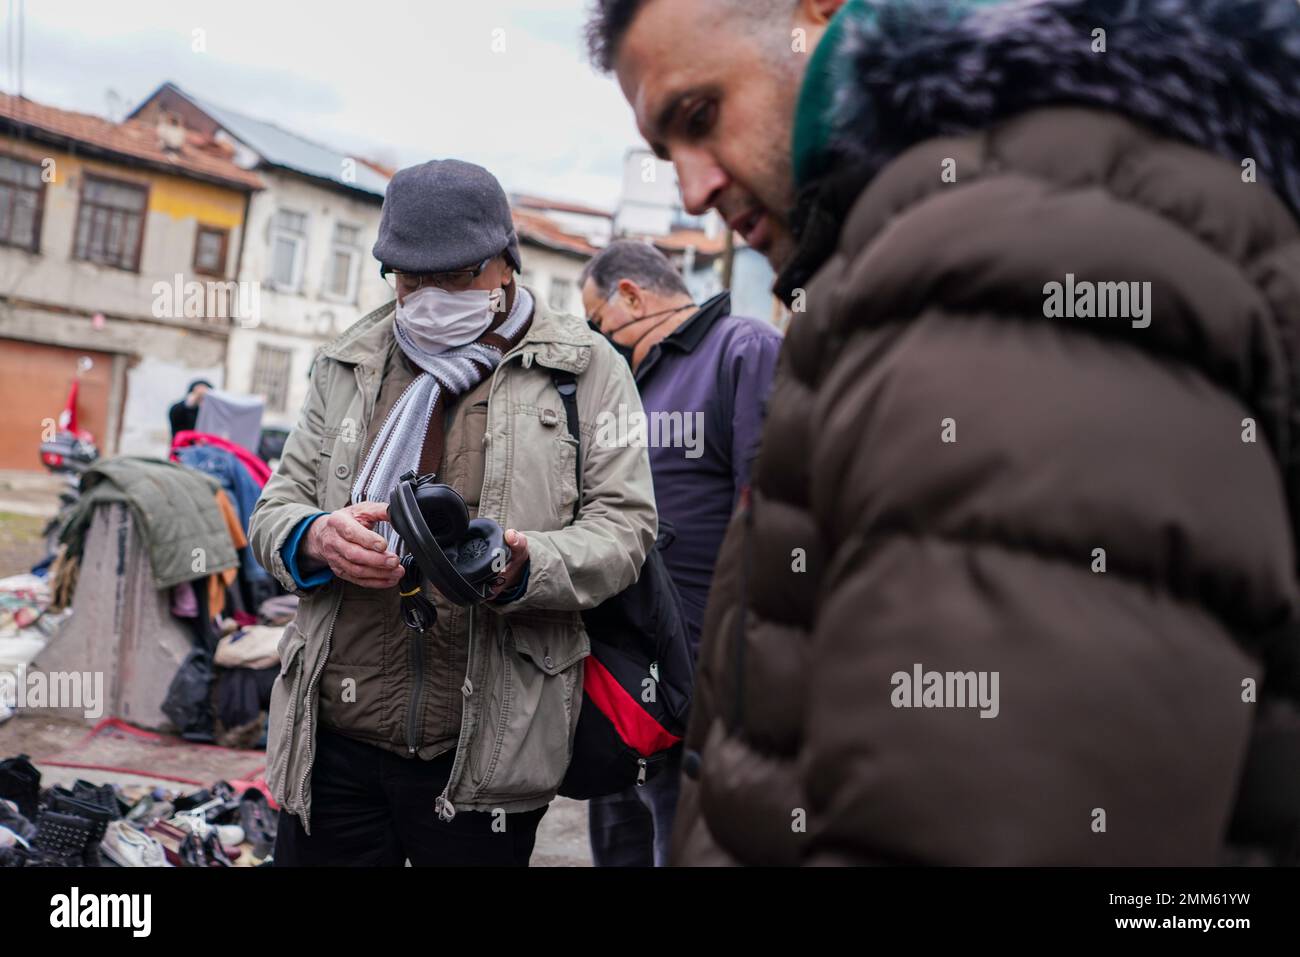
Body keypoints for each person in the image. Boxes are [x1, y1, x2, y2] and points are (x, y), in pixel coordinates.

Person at [588, 0, 1300, 864]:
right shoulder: (925, 248)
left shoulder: (1005, 248)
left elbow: (987, 811)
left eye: (701, 117)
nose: (693, 187)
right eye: (667, 155)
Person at [248, 159, 657, 866]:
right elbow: (274, 506)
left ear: (505, 263)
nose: (431, 296)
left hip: (486, 754)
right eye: (410, 279)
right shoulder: (348, 362)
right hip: (336, 739)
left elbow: (626, 530)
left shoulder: (584, 369)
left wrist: (530, 563)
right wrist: (316, 538)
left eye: (456, 276)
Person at [579, 240, 781, 866]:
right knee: (621, 845)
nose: (597, 338)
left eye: (597, 323)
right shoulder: (622, 385)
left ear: (632, 295)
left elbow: (774, 512)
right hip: (624, 680)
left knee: (689, 847)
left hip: (705, 679)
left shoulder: (742, 349)